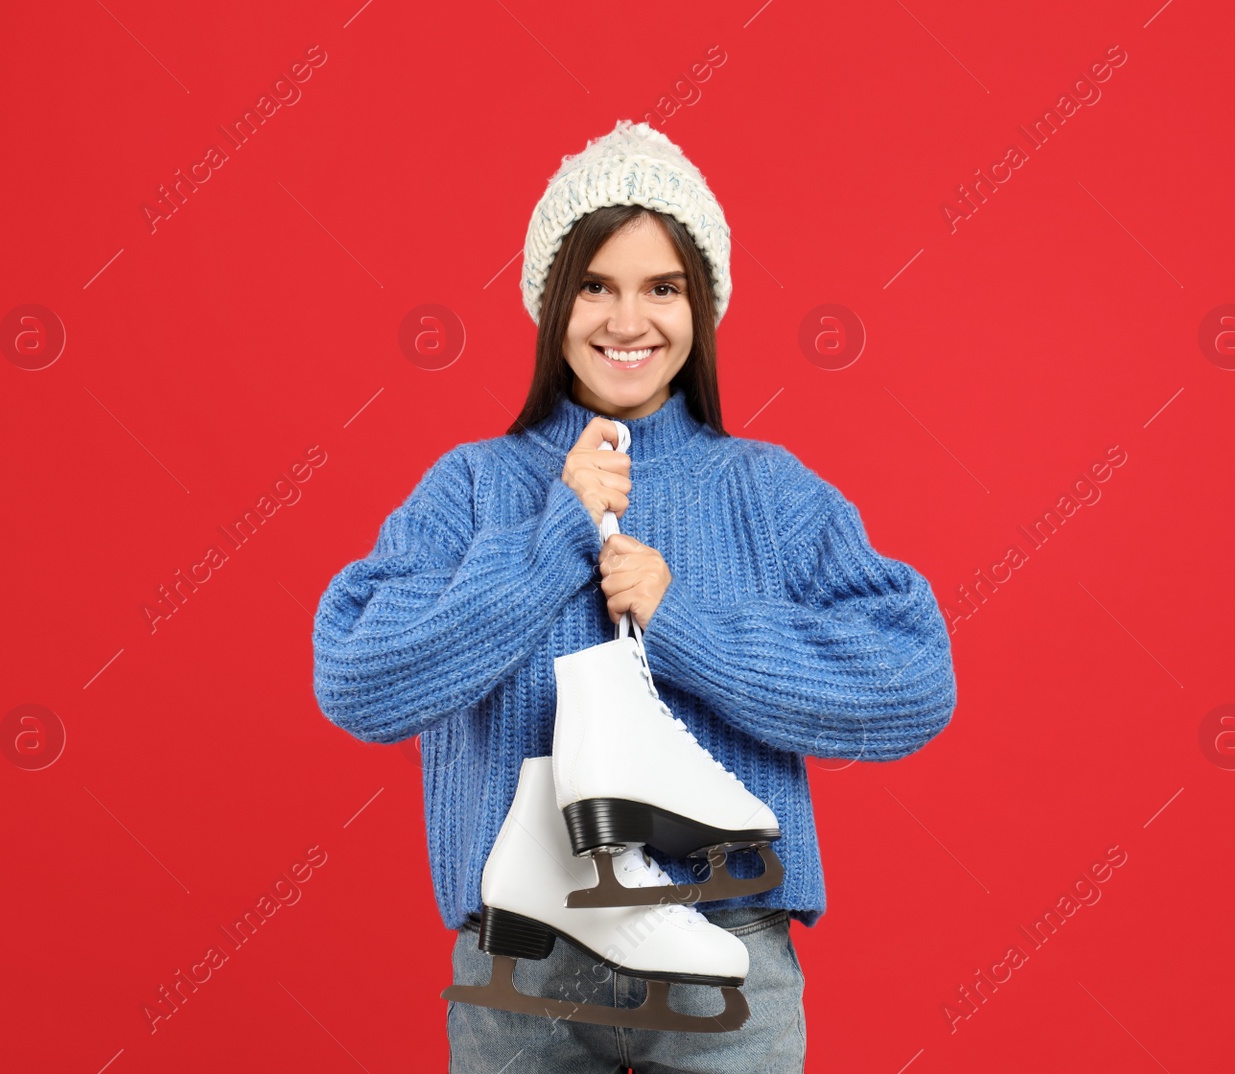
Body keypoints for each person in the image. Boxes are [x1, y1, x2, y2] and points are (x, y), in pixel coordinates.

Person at [312, 119, 958, 1073]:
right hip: (523, 965)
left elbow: (914, 681)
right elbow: (360, 681)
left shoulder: (766, 490)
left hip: (723, 949)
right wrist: (552, 540)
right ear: (550, 300)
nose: (627, 322)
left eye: (662, 288)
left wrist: (685, 622)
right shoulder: (473, 487)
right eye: (596, 286)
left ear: (702, 304)